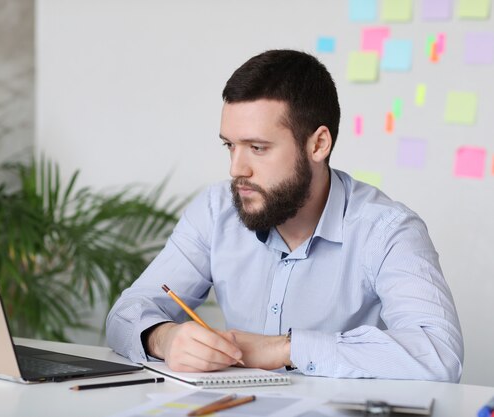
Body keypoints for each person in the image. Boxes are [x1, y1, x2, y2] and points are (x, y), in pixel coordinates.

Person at [106, 49, 464, 382]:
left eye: (257, 148)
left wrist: (283, 349)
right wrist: (164, 339)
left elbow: (439, 352)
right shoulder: (217, 210)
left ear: (318, 145)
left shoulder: (386, 230)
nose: (236, 169)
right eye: (230, 145)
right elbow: (126, 314)